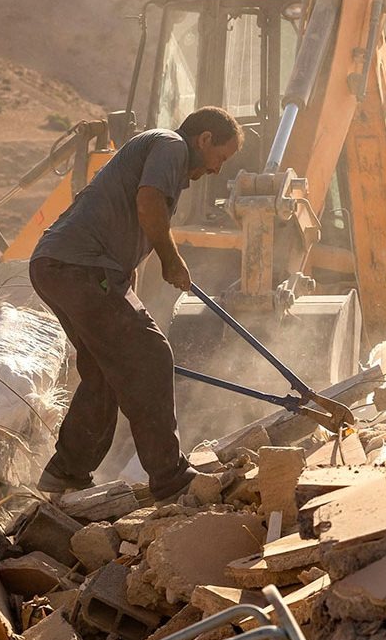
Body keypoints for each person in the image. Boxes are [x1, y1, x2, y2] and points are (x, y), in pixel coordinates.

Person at [29, 106, 242, 500]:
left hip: (57, 265)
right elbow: (148, 204)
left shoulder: (160, 151)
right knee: (152, 355)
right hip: (81, 266)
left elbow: (130, 230)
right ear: (205, 139)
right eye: (221, 158)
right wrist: (171, 259)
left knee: (105, 372)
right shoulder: (172, 145)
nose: (217, 170)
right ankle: (169, 475)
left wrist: (129, 290)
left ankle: (67, 473)